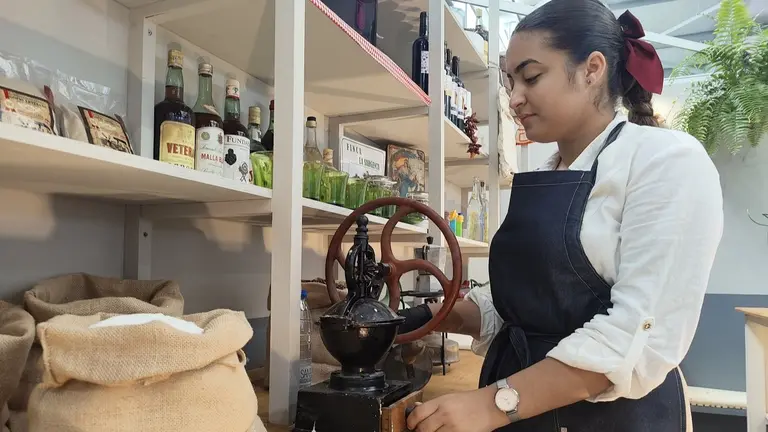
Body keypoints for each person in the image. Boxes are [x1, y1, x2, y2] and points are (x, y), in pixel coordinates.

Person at [399, 1, 724, 431]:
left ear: (592, 69)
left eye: (531, 77)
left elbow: (634, 335)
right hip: (517, 412)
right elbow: (527, 307)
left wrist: (490, 405)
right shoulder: (548, 174)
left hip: (611, 418)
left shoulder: (666, 161)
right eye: (509, 80)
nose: (514, 98)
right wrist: (432, 316)